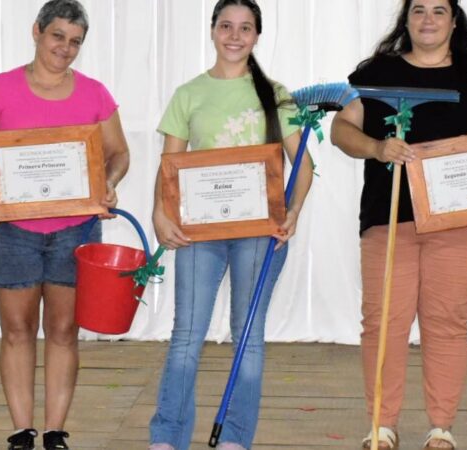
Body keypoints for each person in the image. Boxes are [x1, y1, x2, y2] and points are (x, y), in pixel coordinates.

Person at [330, 1, 467, 449]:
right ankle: (380, 427)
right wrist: (376, 147)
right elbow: (342, 130)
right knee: (384, 322)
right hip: (389, 219)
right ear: (405, 20)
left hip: (460, 223)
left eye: (439, 10)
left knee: (446, 322)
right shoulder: (376, 72)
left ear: (454, 20)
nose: (428, 19)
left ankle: (441, 427)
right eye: (419, 10)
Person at [0, 1, 130, 449]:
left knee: (65, 330)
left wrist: (107, 185)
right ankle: (21, 431)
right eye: (58, 37)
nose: (65, 49)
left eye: (75, 42)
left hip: (77, 228)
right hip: (11, 230)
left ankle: (54, 431)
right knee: (16, 329)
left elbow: (119, 153)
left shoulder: (95, 94)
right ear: (37, 32)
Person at [147, 1, 313, 449]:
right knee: (187, 334)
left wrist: (292, 212)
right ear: (213, 30)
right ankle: (167, 436)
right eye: (226, 26)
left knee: (248, 337)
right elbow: (170, 165)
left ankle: (236, 438)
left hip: (261, 233)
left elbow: (304, 165)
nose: (234, 35)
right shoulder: (188, 94)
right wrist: (160, 213)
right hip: (200, 230)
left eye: (245, 28)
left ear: (257, 35)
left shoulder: (277, 95)